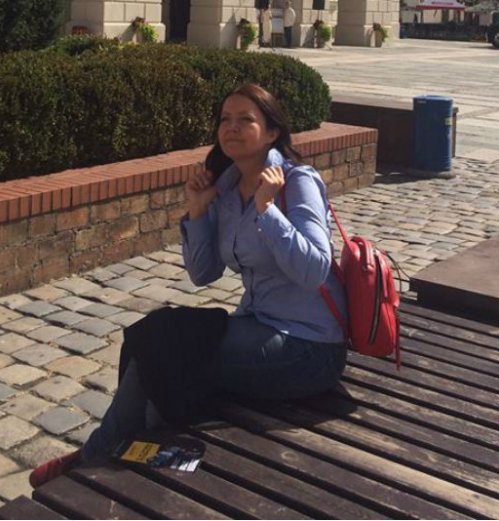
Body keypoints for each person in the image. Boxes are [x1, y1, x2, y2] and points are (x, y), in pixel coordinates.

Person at [28, 83, 348, 487]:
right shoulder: (227, 189)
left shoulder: (296, 181)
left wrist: (267, 209)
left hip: (309, 349)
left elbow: (315, 269)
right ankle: (121, 451)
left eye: (245, 119)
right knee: (159, 341)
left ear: (271, 132)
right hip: (258, 327)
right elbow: (203, 274)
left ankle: (96, 455)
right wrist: (198, 211)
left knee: (164, 342)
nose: (231, 127)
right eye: (225, 119)